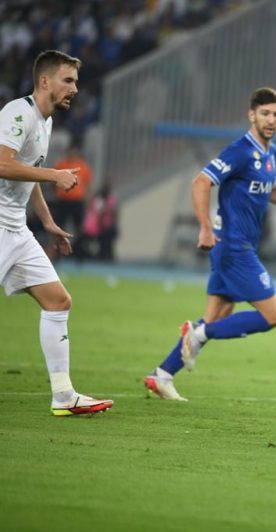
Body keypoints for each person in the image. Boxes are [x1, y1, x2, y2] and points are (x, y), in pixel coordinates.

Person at [144, 87, 276, 401]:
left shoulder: (270, 153)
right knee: (273, 316)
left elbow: (271, 190)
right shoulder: (240, 150)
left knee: (217, 318)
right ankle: (197, 332)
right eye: (265, 113)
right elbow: (201, 182)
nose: (271, 120)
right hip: (233, 246)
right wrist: (205, 227)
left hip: (238, 246)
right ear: (251, 115)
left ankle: (162, 375)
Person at [0, 50, 113, 416]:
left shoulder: (46, 122)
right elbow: (2, 164)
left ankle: (63, 396)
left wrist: (46, 221)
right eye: (68, 80)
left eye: (76, 82)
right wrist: (55, 176)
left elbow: (26, 172)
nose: (75, 89)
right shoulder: (18, 113)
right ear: (45, 81)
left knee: (58, 301)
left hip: (17, 229)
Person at [52, 138, 92, 258]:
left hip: (77, 202)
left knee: (79, 227)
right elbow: (53, 182)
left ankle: (78, 252)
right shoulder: (61, 164)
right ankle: (58, 253)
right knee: (59, 226)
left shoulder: (83, 166)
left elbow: (87, 186)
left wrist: (87, 203)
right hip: (63, 201)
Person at [81, 183, 118, 261]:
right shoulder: (99, 200)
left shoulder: (110, 200)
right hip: (98, 227)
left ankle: (107, 255)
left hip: (105, 227)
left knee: (107, 240)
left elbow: (113, 214)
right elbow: (99, 216)